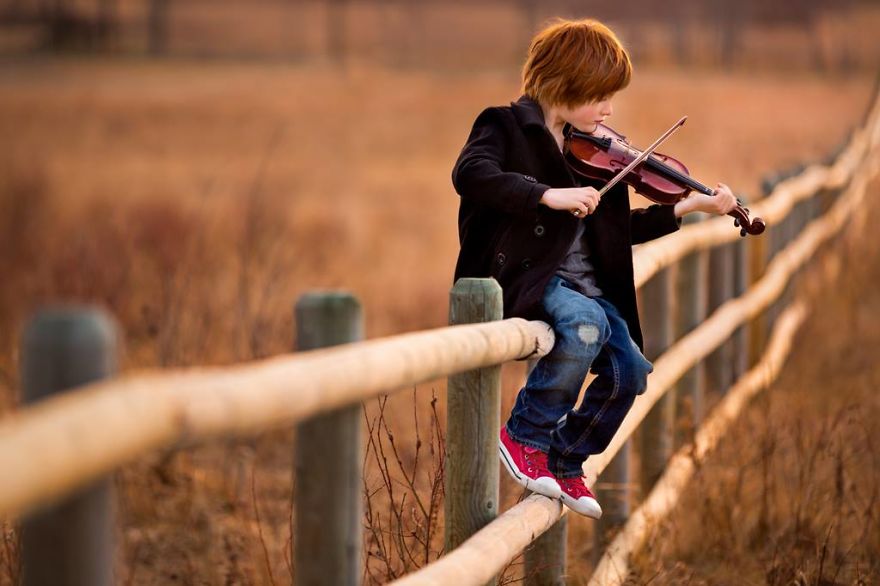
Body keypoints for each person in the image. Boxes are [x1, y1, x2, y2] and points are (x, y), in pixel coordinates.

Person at [450, 18, 737, 519]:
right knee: (586, 327)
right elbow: (470, 174)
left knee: (631, 372)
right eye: (600, 96)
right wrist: (547, 196)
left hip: (586, 286)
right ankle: (524, 436)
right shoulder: (504, 126)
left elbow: (614, 231)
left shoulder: (596, 152)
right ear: (563, 84)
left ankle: (564, 458)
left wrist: (687, 209)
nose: (608, 110)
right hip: (531, 277)